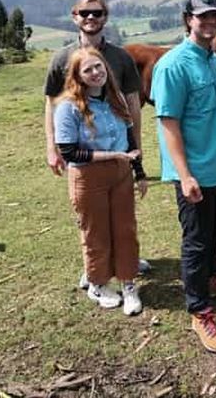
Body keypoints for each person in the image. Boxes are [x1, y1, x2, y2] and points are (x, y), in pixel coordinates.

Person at [151, 0, 216, 353]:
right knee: (196, 240)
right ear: (188, 19)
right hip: (196, 172)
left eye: (215, 16)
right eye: (203, 16)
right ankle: (199, 310)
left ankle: (213, 277)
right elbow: (168, 124)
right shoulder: (173, 65)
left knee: (215, 227)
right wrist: (185, 175)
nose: (210, 22)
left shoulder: (212, 58)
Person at [43, 0, 151, 286]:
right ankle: (96, 270)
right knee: (91, 217)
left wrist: (136, 145)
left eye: (97, 13)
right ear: (74, 16)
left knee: (122, 214)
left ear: (106, 17)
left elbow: (131, 102)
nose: (91, 18)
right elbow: (51, 103)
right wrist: (51, 146)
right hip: (83, 155)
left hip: (118, 149)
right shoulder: (61, 58)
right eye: (85, 13)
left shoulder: (120, 57)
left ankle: (124, 262)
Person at [54, 47, 148, 315]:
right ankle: (97, 284)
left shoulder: (115, 98)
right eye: (88, 70)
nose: (95, 73)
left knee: (125, 229)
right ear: (78, 76)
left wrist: (138, 172)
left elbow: (130, 141)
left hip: (121, 174)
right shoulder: (68, 107)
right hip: (88, 177)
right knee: (96, 233)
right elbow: (69, 151)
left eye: (99, 67)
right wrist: (112, 155)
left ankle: (129, 282)